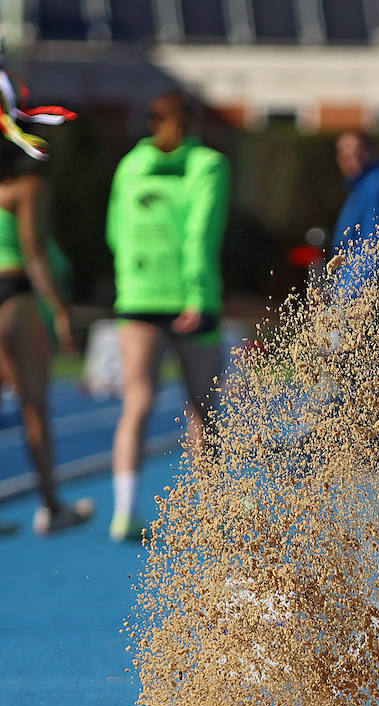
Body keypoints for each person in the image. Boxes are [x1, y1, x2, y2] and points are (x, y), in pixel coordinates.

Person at [106, 91, 230, 541]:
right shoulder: (209, 165)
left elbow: (115, 232)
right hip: (189, 298)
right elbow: (202, 232)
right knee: (203, 409)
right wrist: (196, 293)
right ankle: (213, 512)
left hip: (138, 297)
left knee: (136, 403)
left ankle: (123, 511)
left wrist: (133, 283)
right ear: (195, 121)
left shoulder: (128, 165)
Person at [0, 133, 92, 534]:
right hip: (13, 297)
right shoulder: (26, 187)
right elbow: (33, 248)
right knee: (33, 405)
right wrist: (59, 309)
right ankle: (51, 506)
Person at [331, 130, 379, 301]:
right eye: (343, 151)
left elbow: (373, 246)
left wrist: (349, 294)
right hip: (354, 285)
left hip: (362, 290)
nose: (350, 156)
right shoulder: (361, 187)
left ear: (370, 151)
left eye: (356, 150)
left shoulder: (377, 186)